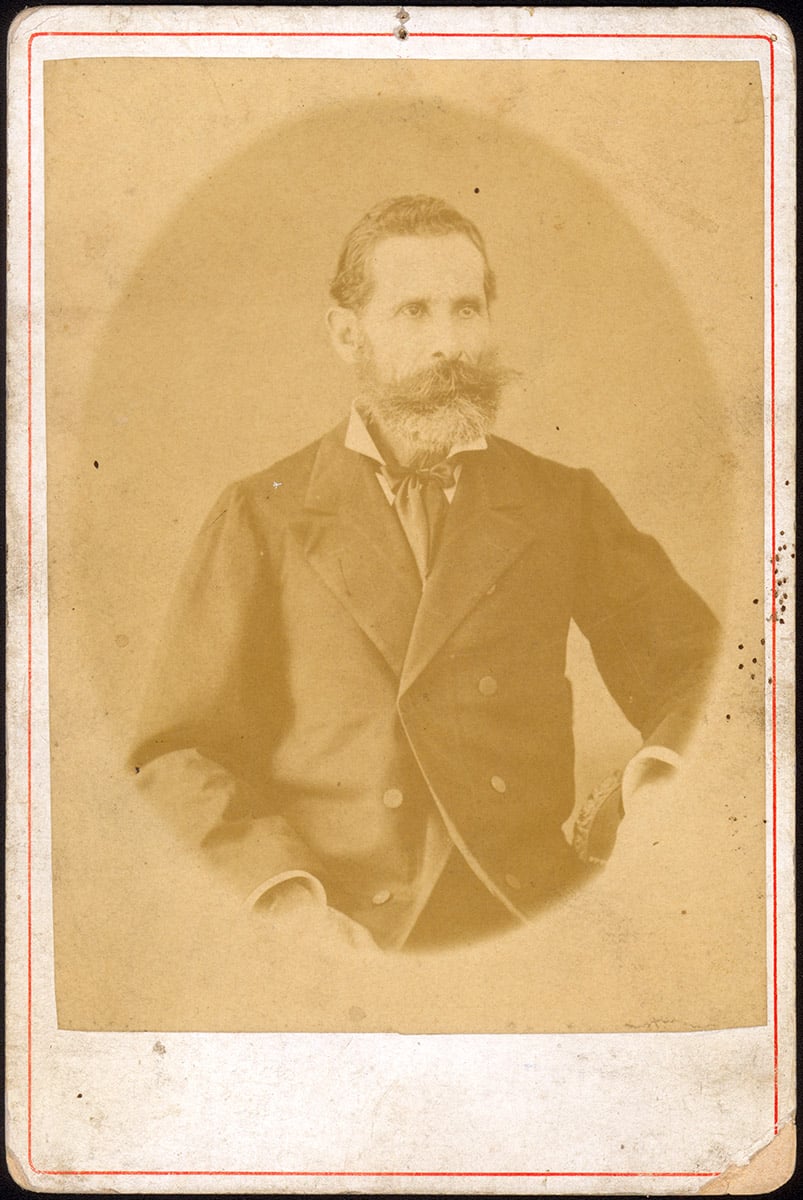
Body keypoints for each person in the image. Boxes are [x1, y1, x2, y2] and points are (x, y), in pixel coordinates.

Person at [130, 195, 720, 953]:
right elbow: (176, 752)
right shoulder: (260, 513)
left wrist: (658, 784)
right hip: (344, 923)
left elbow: (702, 671)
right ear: (347, 334)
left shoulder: (560, 501)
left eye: (467, 310)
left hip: (529, 909)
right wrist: (286, 898)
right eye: (413, 312)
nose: (450, 345)